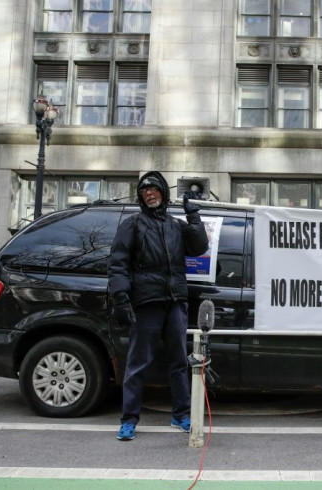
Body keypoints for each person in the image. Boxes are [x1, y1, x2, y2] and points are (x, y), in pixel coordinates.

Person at [108, 171, 209, 441]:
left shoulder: (176, 225)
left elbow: (199, 248)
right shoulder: (133, 224)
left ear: (163, 192)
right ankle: (128, 420)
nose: (149, 194)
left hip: (175, 301)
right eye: (144, 191)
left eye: (154, 190)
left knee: (178, 361)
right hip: (146, 302)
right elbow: (117, 263)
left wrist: (194, 215)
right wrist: (120, 297)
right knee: (138, 363)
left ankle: (181, 415)